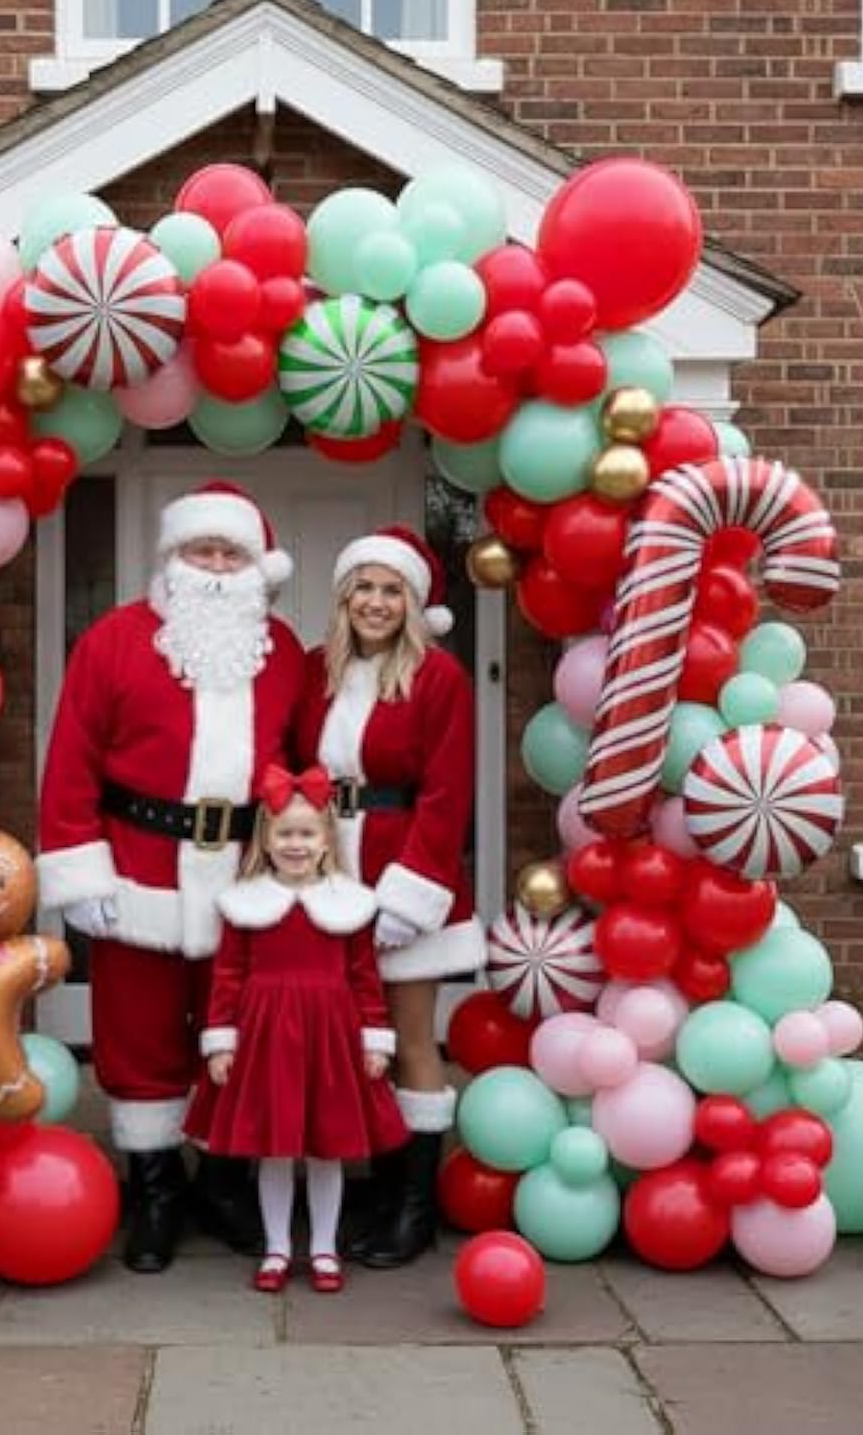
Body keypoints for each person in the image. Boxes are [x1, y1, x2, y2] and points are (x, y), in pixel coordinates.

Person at [37, 482, 305, 1272]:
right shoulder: (114, 642)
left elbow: (306, 766)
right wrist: (80, 871)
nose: (217, 567)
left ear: (258, 568)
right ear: (172, 559)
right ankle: (154, 1188)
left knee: (240, 1035)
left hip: (247, 878)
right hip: (137, 875)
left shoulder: (284, 651)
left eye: (232, 554)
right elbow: (72, 760)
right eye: (202, 551)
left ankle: (223, 1180)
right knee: (138, 1035)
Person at [293, 524, 487, 1268]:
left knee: (408, 1040)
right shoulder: (319, 673)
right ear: (345, 598)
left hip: (406, 868)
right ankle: (371, 1187)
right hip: (325, 871)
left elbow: (446, 793)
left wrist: (413, 892)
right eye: (364, 588)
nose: (376, 603)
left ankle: (414, 1204)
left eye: (391, 590)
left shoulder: (440, 679)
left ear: (413, 603)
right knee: (348, 1042)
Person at [184, 764, 407, 1294]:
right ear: (266, 837)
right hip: (266, 1038)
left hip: (330, 1037)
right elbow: (228, 977)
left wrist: (374, 1038)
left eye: (307, 833)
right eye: (284, 833)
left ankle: (325, 1250)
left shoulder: (349, 905)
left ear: (327, 838)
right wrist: (221, 1038)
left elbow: (364, 978)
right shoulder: (245, 905)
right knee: (276, 1148)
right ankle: (278, 1248)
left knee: (326, 1147)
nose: (296, 844)